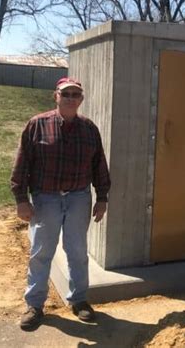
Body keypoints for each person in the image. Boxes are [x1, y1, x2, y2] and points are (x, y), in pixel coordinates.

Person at [11, 77, 111, 330]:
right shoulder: (37, 125)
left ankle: (79, 300)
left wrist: (102, 197)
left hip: (79, 197)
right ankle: (34, 305)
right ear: (55, 96)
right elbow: (22, 164)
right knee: (41, 252)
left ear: (81, 99)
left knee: (77, 252)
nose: (70, 98)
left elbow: (99, 165)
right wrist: (21, 200)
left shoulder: (89, 129)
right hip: (46, 199)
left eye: (75, 94)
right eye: (65, 94)